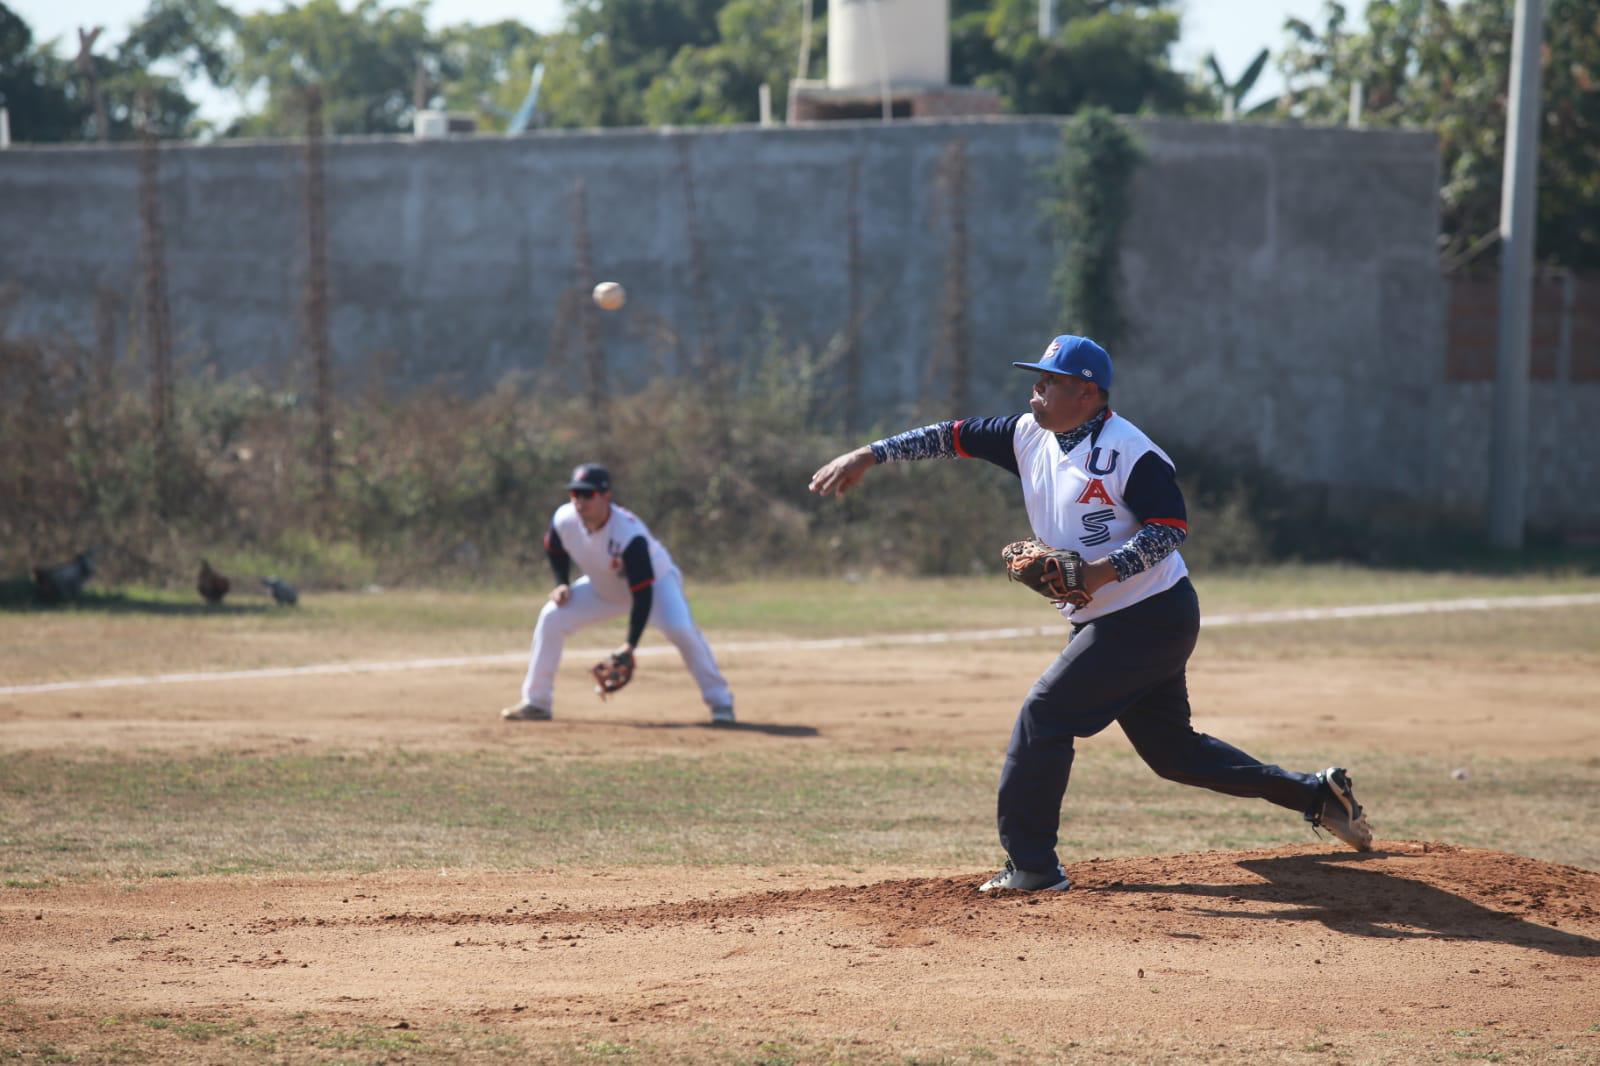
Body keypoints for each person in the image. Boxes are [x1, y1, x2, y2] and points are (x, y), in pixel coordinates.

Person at [808, 335, 1372, 893]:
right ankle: (1317, 795)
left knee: (1045, 714)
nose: (1036, 388)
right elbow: (949, 437)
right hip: (1117, 620)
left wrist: (1101, 571)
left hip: (1151, 615)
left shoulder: (1131, 451)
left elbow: (1170, 529)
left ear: (1086, 392)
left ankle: (1032, 865)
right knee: (1174, 754)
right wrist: (869, 454)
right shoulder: (1028, 435)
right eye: (1038, 377)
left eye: (1049, 381)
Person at [501, 463, 736, 726]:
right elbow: (553, 547)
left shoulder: (629, 535)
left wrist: (630, 644)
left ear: (606, 496)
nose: (580, 500)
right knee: (552, 617)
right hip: (604, 586)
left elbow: (643, 594)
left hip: (656, 586)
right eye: (575, 494)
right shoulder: (564, 519)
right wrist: (562, 582)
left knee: (680, 628)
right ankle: (537, 702)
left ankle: (721, 702)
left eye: (587, 494)